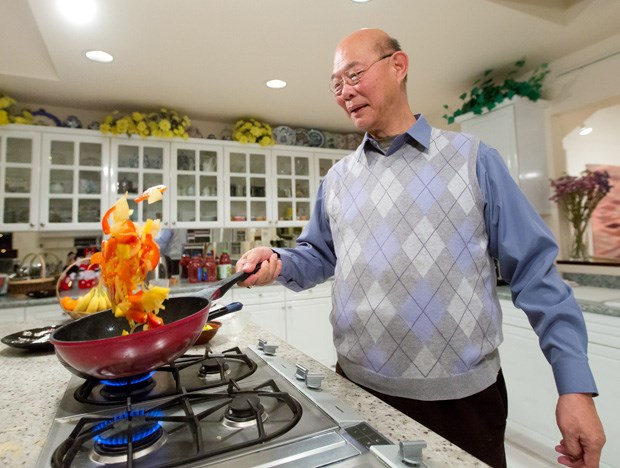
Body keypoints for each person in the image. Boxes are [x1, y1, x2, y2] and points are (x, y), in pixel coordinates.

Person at [236, 29, 605, 467]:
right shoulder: (336, 179)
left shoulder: (474, 159)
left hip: (463, 401)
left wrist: (575, 387)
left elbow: (536, 274)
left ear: (398, 65)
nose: (345, 92)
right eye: (336, 84)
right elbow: (318, 256)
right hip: (355, 387)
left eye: (354, 75)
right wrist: (279, 262)